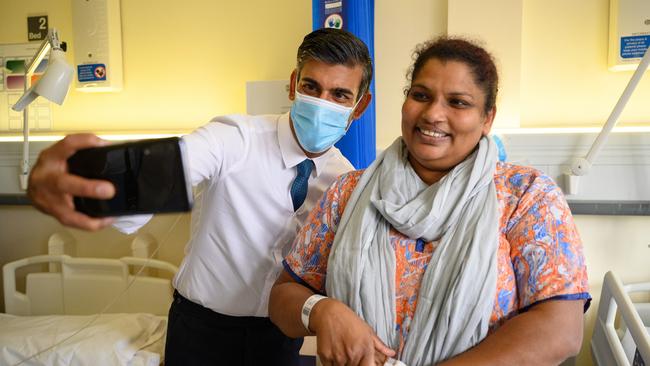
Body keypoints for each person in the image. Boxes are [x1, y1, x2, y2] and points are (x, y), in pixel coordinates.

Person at [26, 28, 373, 365]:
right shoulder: (236, 139)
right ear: (294, 84)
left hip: (278, 340)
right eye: (312, 87)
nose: (321, 104)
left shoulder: (344, 182)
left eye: (339, 95)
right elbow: (170, 167)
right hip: (201, 332)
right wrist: (89, 179)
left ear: (359, 106)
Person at [269, 36, 590, 366]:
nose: (434, 114)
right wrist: (321, 311)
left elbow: (561, 329)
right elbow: (283, 298)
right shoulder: (348, 193)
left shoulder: (526, 197)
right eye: (421, 96)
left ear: (487, 118)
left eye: (458, 102)